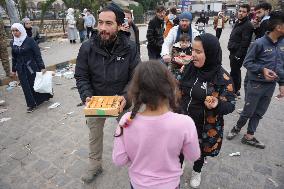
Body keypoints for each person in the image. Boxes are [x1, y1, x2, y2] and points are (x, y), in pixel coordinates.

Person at [74, 2, 140, 183]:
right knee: (94, 135)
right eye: (100, 22)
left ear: (119, 25)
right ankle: (95, 165)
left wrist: (126, 97)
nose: (103, 28)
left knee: (130, 133)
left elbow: (136, 78)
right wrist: (86, 94)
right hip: (96, 100)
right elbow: (81, 75)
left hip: (121, 100)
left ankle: (136, 164)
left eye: (109, 23)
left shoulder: (130, 48)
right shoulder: (87, 47)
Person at [112, 60, 200, 189]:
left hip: (138, 184)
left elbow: (119, 160)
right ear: (170, 87)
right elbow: (193, 155)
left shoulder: (126, 121)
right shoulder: (185, 123)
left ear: (136, 91)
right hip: (170, 185)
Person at [180, 33, 236, 188]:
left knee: (199, 151)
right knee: (180, 146)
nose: (194, 55)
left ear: (210, 53)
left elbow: (230, 105)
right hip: (183, 120)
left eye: (199, 52)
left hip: (204, 126)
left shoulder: (223, 78)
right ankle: (180, 162)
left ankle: (197, 171)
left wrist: (217, 104)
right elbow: (180, 88)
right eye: (193, 50)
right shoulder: (189, 68)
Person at [226, 11, 284, 149]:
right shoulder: (259, 43)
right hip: (256, 84)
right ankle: (236, 128)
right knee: (248, 111)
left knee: (260, 112)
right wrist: (262, 69)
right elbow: (247, 62)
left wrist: (282, 84)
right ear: (279, 27)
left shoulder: (282, 44)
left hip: (270, 86)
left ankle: (249, 136)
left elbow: (282, 66)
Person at [10, 23, 52, 113]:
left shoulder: (30, 40)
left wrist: (42, 67)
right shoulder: (13, 42)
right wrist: (13, 70)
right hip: (21, 69)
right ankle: (31, 104)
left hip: (32, 67)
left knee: (36, 84)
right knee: (26, 87)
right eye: (13, 31)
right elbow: (14, 57)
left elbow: (37, 55)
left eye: (16, 30)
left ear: (21, 30)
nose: (14, 32)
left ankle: (45, 97)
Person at [227, 4, 253, 97]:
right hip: (233, 51)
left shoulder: (247, 25)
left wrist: (238, 55)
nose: (241, 13)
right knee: (235, 71)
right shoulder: (239, 22)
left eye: (244, 12)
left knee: (235, 72)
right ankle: (236, 90)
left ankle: (234, 90)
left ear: (248, 13)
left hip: (237, 53)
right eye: (240, 11)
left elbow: (245, 43)